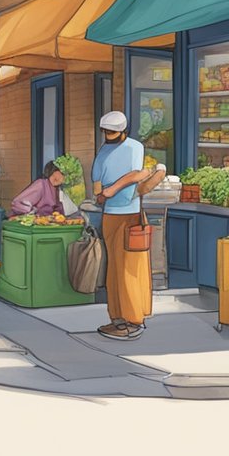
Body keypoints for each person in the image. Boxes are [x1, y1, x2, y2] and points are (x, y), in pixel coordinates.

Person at [92, 111, 151, 340]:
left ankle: (134, 320)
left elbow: (137, 174)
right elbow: (97, 179)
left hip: (129, 213)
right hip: (110, 214)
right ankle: (116, 318)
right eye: (105, 132)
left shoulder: (134, 147)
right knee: (114, 269)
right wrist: (99, 194)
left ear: (123, 131)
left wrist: (111, 189)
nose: (108, 135)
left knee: (128, 269)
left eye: (112, 132)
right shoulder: (104, 150)